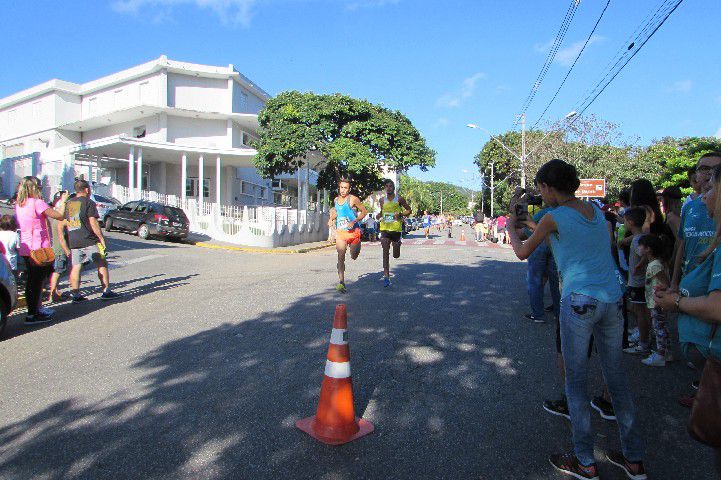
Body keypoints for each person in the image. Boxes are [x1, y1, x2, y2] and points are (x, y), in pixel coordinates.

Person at [508, 159, 645, 480]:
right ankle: (634, 459)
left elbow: (522, 252)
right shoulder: (596, 213)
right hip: (612, 299)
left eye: (541, 189)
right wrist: (531, 223)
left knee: (576, 383)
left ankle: (584, 461)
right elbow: (571, 235)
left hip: (579, 302)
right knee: (617, 380)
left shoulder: (553, 216)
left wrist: (510, 231)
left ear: (548, 187)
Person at [655, 163, 721, 474]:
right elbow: (681, 244)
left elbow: (717, 306)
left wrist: (677, 302)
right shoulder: (695, 211)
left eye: (711, 186)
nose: (704, 191)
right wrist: (675, 280)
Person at [15, 176, 67, 324]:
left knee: (33, 280)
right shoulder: (37, 203)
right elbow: (59, 215)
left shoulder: (20, 204)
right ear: (34, 188)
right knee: (36, 282)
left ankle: (36, 309)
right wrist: (62, 202)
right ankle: (33, 314)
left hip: (26, 248)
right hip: (39, 249)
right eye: (39, 187)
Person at [63, 180, 120, 302]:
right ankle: (106, 290)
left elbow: (68, 222)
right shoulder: (89, 203)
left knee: (76, 266)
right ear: (87, 190)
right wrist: (101, 238)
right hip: (89, 239)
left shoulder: (69, 204)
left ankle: (76, 294)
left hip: (74, 240)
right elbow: (93, 223)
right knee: (102, 263)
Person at [621, 207, 652, 355]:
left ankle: (643, 342)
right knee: (641, 311)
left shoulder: (637, 240)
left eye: (625, 220)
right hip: (641, 281)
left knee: (640, 312)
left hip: (637, 281)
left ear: (631, 222)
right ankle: (644, 338)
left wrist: (639, 265)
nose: (624, 223)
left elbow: (645, 254)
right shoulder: (640, 238)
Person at [328, 177, 367, 293]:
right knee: (340, 255)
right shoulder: (336, 200)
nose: (343, 190)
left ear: (349, 189)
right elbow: (337, 213)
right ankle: (341, 282)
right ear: (339, 188)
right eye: (341, 187)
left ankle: (357, 245)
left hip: (354, 232)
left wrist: (354, 221)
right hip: (341, 233)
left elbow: (364, 211)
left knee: (354, 256)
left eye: (345, 188)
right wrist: (331, 219)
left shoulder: (353, 199)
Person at [637, 234, 671, 367]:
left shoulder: (654, 265)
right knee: (662, 327)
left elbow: (666, 282)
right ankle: (667, 352)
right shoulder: (655, 263)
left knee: (659, 328)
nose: (638, 248)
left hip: (657, 301)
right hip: (657, 301)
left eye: (641, 245)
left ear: (648, 249)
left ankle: (661, 354)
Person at [524, 205, 560, 323]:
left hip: (539, 245)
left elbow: (527, 230)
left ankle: (538, 314)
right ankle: (559, 313)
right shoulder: (566, 211)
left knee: (535, 281)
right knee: (556, 281)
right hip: (556, 246)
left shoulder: (544, 212)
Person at [376, 179, 411, 288]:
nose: (388, 188)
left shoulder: (399, 199)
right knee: (385, 253)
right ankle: (386, 277)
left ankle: (398, 244)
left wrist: (400, 214)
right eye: (386, 186)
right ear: (385, 188)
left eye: (390, 186)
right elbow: (383, 212)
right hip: (385, 228)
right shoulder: (382, 200)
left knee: (396, 255)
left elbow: (409, 210)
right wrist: (378, 215)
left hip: (396, 230)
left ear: (393, 188)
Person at [48, 191, 71, 302]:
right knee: (58, 271)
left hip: (57, 249)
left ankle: (55, 291)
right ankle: (53, 293)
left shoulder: (56, 219)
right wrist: (67, 250)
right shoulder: (59, 220)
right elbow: (61, 238)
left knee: (58, 271)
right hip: (60, 250)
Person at [0, 215, 20, 279]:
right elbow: (18, 248)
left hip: (1, 260)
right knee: (12, 279)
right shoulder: (15, 235)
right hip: (11, 261)